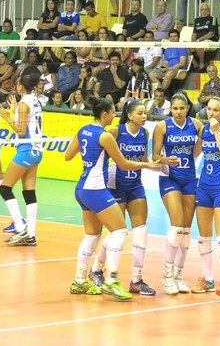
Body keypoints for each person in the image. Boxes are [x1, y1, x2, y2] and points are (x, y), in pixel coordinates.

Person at [65, 98, 159, 300]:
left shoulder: (83, 130)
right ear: (105, 114)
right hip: (96, 188)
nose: (114, 115)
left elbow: (67, 156)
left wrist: (89, 158)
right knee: (120, 230)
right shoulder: (105, 136)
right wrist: (147, 165)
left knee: (92, 235)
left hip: (81, 187)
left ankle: (79, 281)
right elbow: (124, 164)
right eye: (112, 112)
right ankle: (112, 280)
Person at [152, 92, 204, 295]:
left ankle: (179, 276)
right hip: (169, 178)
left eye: (182, 108)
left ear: (187, 108)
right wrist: (166, 160)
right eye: (175, 108)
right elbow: (154, 155)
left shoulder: (197, 126)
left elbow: (198, 151)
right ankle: (166, 276)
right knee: (176, 225)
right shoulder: (163, 126)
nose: (179, 112)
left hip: (190, 178)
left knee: (186, 230)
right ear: (170, 109)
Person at [191, 97, 220, 299]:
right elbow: (194, 153)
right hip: (204, 186)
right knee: (203, 237)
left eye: (215, 110)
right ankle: (208, 279)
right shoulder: (203, 130)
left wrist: (216, 130)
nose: (210, 113)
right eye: (209, 109)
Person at [0, 73, 43, 246]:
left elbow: (22, 131)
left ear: (21, 87)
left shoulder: (25, 103)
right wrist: (15, 111)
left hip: (26, 149)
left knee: (5, 189)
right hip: (37, 150)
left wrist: (7, 116)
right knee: (29, 191)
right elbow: (29, 122)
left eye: (17, 84)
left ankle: (20, 226)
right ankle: (30, 235)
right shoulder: (35, 101)